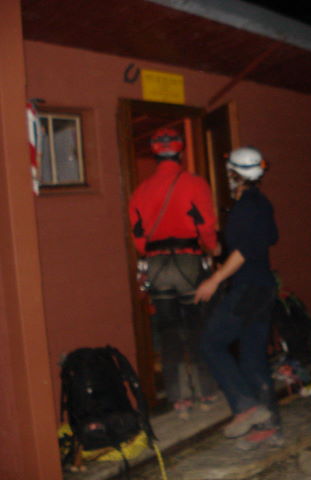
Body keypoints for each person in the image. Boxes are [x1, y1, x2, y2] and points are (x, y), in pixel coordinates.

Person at [194, 146, 281, 450]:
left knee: (211, 343)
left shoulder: (246, 207)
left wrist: (214, 280)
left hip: (248, 289)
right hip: (262, 287)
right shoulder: (260, 203)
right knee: (253, 358)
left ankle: (245, 407)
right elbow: (266, 239)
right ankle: (270, 427)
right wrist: (222, 250)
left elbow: (244, 251)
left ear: (233, 173)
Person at [129, 127, 219, 419]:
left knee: (168, 332)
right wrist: (213, 248)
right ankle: (205, 392)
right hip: (188, 260)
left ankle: (179, 399)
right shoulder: (195, 183)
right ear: (180, 151)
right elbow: (206, 225)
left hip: (157, 264)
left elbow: (138, 237)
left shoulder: (141, 190)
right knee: (195, 327)